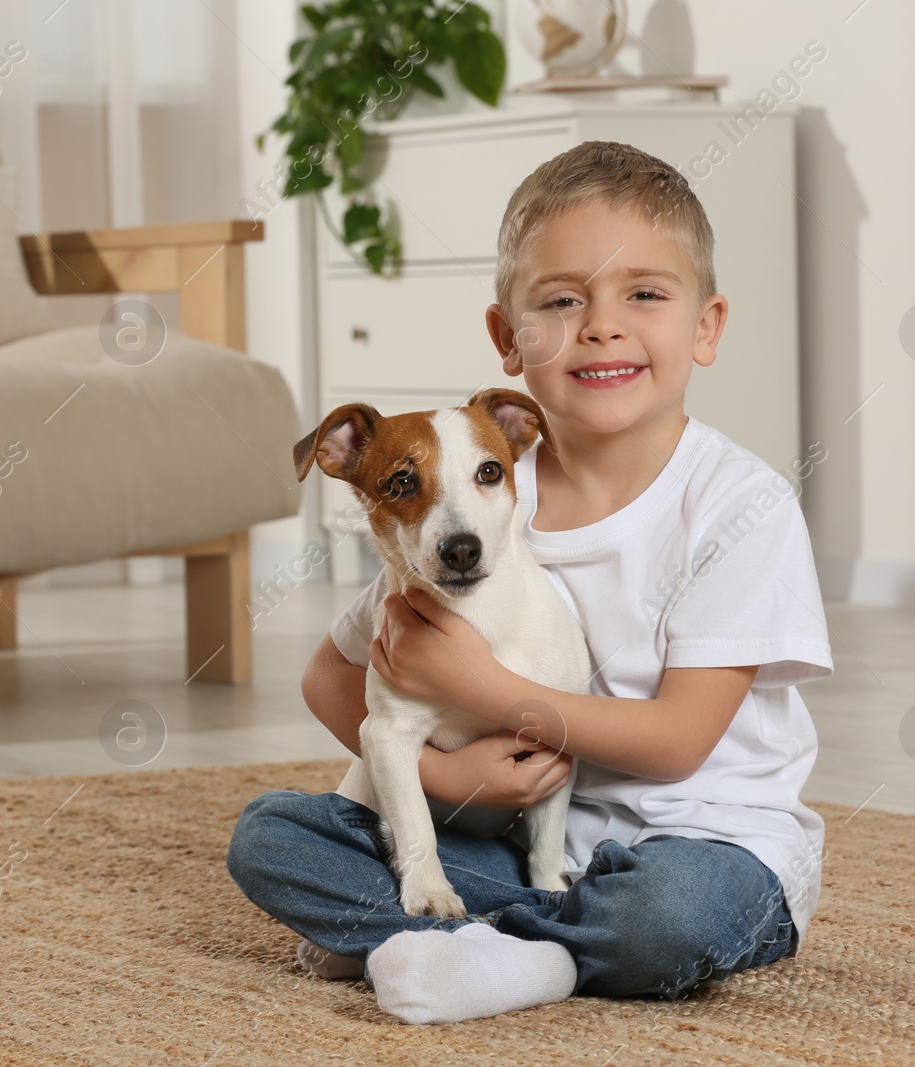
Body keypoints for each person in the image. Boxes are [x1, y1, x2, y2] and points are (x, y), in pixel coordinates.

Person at [228, 140, 834, 1025]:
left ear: (706, 325)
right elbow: (331, 678)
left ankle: (513, 958)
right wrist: (442, 775)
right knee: (271, 837)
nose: (602, 325)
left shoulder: (741, 504)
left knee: (664, 919)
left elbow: (675, 744)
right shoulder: (477, 495)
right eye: (561, 301)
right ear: (509, 341)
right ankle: (503, 931)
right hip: (522, 848)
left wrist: (486, 692)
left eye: (646, 294)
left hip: (709, 846)